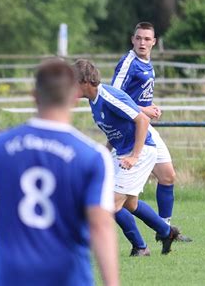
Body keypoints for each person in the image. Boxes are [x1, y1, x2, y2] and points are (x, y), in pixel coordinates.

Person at [0, 58, 119, 286]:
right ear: (73, 99)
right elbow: (101, 225)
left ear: (34, 95)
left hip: (10, 277)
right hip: (69, 277)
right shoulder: (93, 155)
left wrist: (13, 220)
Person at [74, 59, 181, 256]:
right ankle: (166, 232)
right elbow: (114, 131)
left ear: (86, 81)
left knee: (110, 203)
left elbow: (142, 119)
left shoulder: (107, 96)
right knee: (130, 204)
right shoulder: (93, 101)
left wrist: (135, 155)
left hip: (140, 151)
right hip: (123, 152)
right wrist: (104, 153)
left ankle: (140, 247)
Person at [112, 22, 191, 243]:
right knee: (126, 200)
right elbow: (113, 97)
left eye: (147, 39)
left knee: (168, 176)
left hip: (145, 125)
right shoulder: (128, 63)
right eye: (139, 38)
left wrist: (150, 106)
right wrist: (143, 109)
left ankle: (164, 229)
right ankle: (146, 240)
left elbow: (136, 97)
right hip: (130, 130)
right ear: (132, 39)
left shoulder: (146, 62)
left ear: (154, 42)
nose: (142, 42)